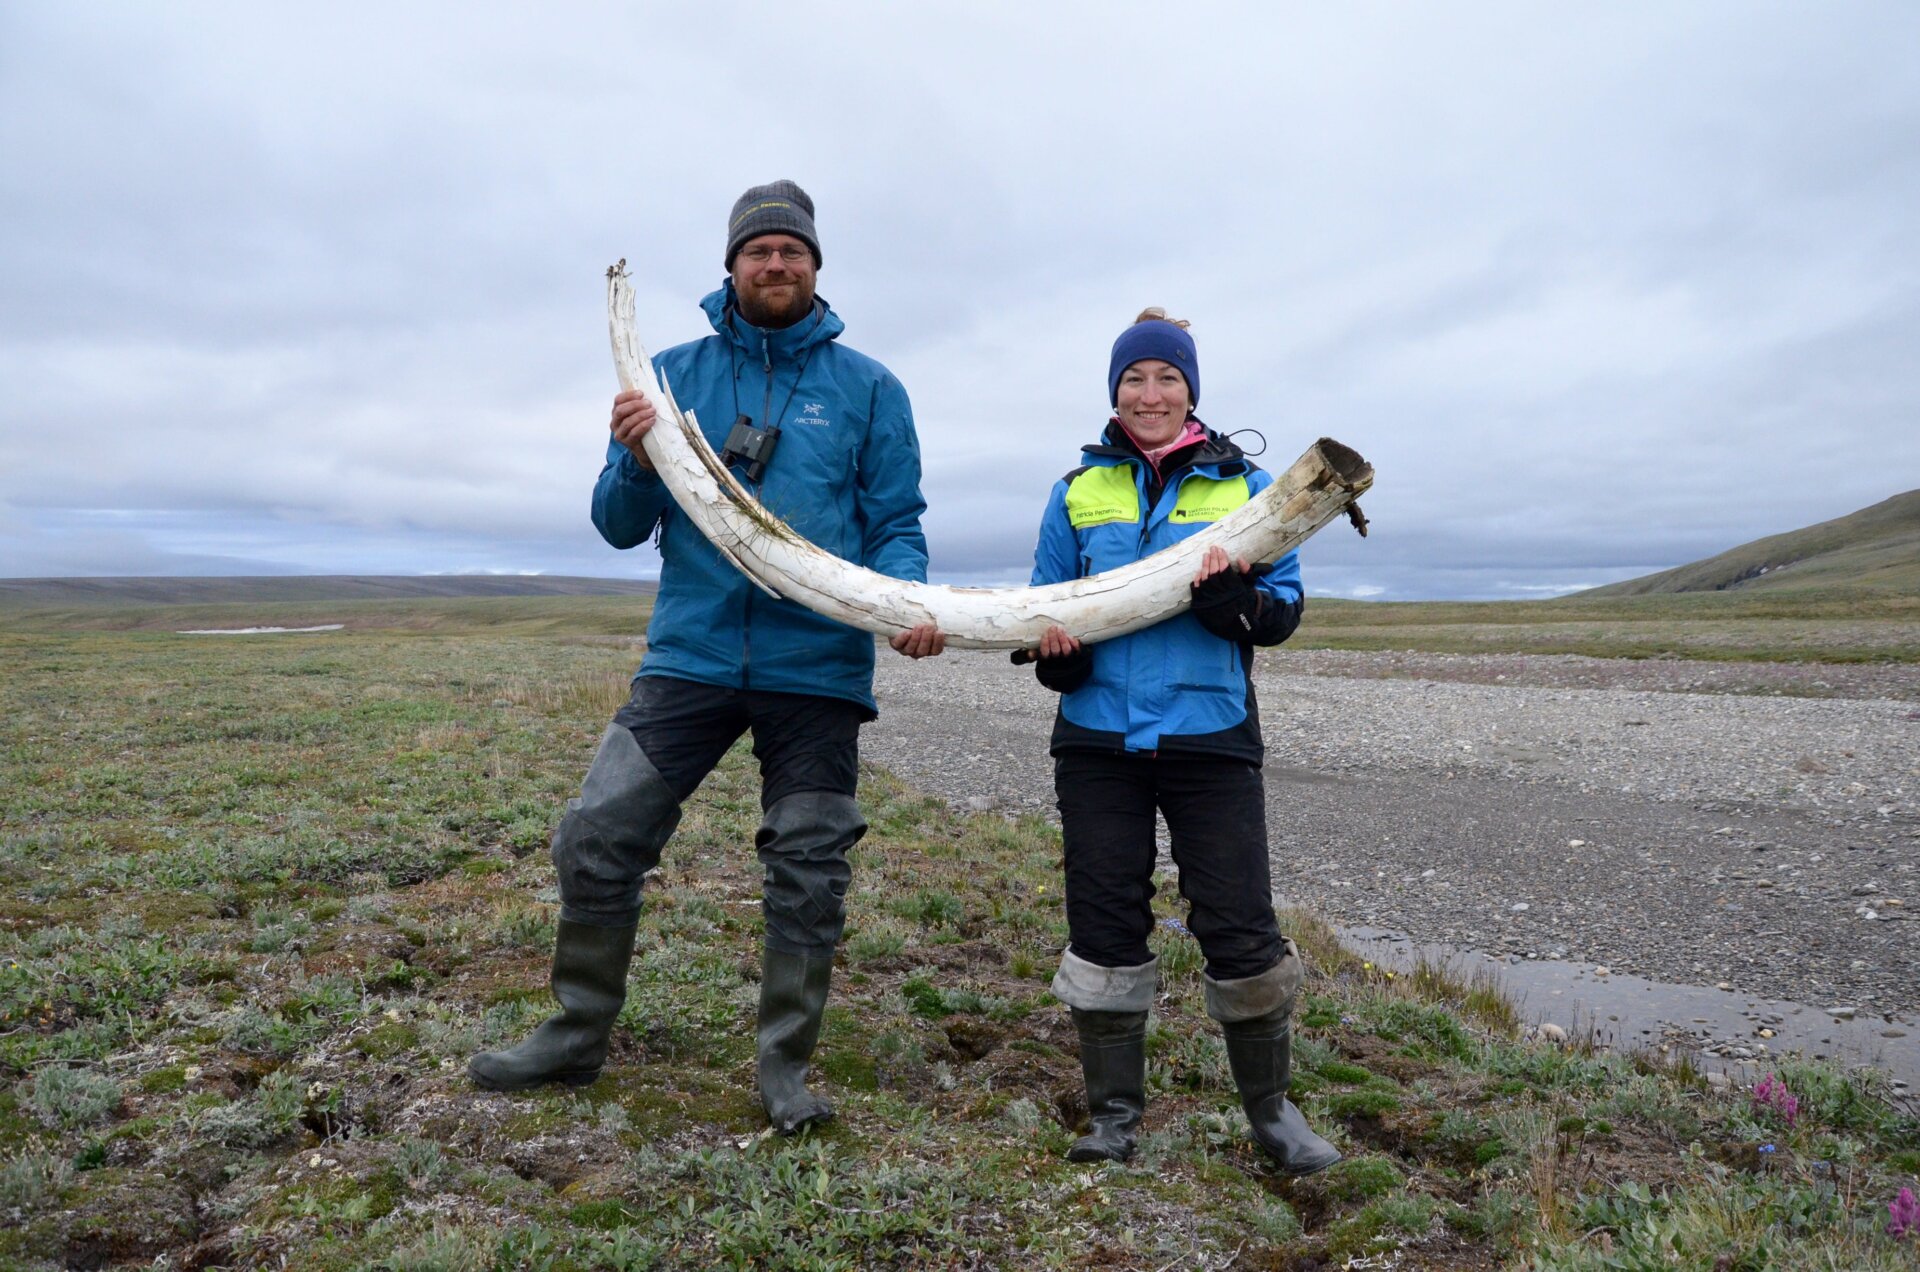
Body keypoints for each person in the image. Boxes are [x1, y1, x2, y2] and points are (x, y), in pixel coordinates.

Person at [470, 181, 945, 1136]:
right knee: (597, 833)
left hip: (817, 669)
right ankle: (576, 1033)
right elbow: (614, 526)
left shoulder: (871, 388)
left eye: (793, 252)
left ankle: (784, 1071)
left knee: (810, 866)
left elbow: (896, 524)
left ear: (816, 267)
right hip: (688, 658)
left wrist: (909, 603)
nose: (776, 265)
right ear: (731, 266)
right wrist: (635, 457)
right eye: (759, 251)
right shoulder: (669, 373)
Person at [1021, 308, 1340, 1175]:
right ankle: (1112, 1118)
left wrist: (1236, 606)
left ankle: (1272, 1117)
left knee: (1239, 927)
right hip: (1096, 740)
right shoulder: (1074, 491)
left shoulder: (1254, 490)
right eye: (1134, 379)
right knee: (1103, 920)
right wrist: (1060, 663)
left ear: (1192, 391)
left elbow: (1284, 611)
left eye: (1166, 378)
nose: (1149, 393)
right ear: (1114, 392)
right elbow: (1045, 609)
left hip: (1211, 737)